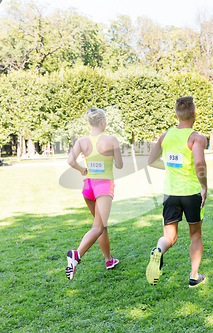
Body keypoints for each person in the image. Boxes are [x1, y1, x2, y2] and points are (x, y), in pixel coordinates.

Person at [146, 96, 208, 288]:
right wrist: (204, 185)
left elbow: (151, 161)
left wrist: (170, 168)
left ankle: (158, 250)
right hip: (191, 193)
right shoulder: (197, 138)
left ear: (176, 114)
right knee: (195, 235)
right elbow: (198, 163)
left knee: (169, 237)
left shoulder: (165, 137)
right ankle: (194, 276)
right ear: (194, 114)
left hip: (170, 194)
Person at [65, 108, 123, 280]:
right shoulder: (112, 139)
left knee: (101, 225)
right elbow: (119, 165)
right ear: (103, 122)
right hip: (104, 187)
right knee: (98, 227)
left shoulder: (82, 141)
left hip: (88, 186)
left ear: (90, 123)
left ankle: (109, 260)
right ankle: (76, 255)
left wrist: (83, 169)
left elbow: (70, 161)